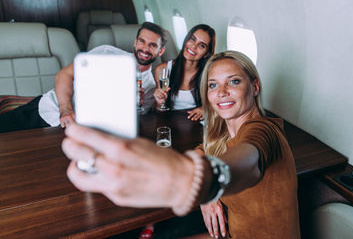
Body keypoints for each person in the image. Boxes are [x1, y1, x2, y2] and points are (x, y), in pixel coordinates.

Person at [61, 51, 300, 239]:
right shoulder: (226, 136)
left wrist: (194, 180)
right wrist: (209, 196)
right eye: (213, 85)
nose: (222, 92)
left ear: (255, 87)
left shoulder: (264, 130)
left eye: (234, 81)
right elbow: (208, 149)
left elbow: (248, 162)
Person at [0, 22, 167, 133]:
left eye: (152, 45)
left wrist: (134, 105)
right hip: (48, 111)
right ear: (135, 42)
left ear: (160, 52)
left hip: (82, 133)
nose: (145, 48)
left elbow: (129, 124)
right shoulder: (106, 52)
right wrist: (65, 109)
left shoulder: (151, 88)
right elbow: (64, 75)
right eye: (142, 42)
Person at [153, 24, 216, 121]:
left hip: (198, 124)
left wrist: (206, 109)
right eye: (192, 39)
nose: (194, 46)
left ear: (206, 53)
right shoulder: (162, 70)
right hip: (171, 122)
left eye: (202, 45)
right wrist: (159, 103)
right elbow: (159, 112)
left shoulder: (210, 74)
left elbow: (219, 102)